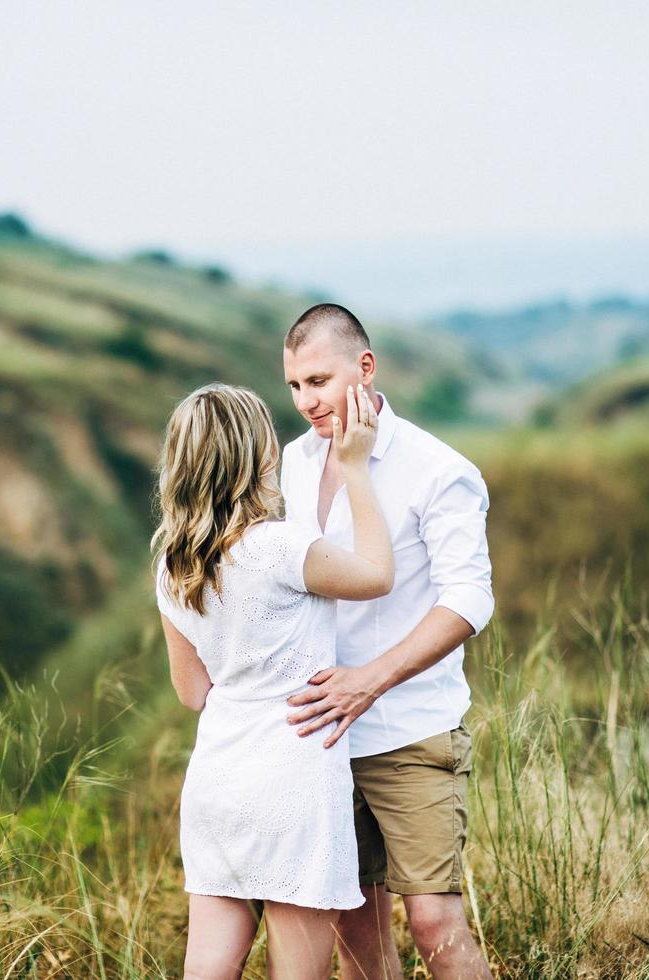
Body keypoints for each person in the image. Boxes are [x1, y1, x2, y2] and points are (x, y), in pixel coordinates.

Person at [280, 304, 496, 980]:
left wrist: (370, 678)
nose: (307, 400)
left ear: (365, 368)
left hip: (410, 730)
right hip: (321, 736)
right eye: (294, 386)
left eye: (319, 380)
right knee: (355, 926)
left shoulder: (439, 470)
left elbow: (468, 599)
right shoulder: (289, 463)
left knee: (433, 918)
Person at [152, 381, 395, 980]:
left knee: (208, 964)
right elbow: (377, 575)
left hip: (218, 776)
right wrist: (355, 468)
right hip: (293, 776)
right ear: (256, 456)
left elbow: (192, 693)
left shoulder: (172, 563)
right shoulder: (282, 547)